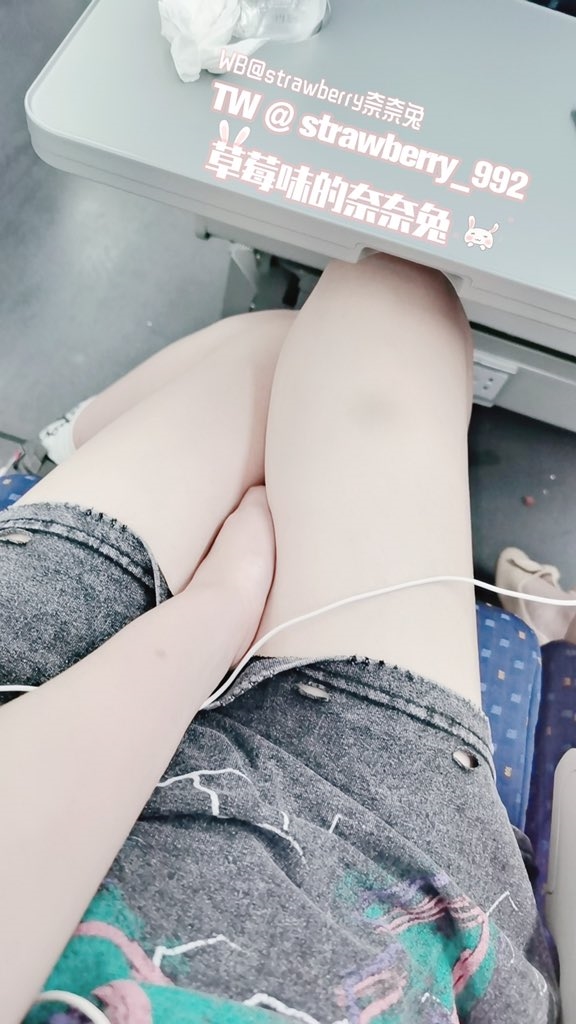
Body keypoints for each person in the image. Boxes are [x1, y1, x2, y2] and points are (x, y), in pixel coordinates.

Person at [0, 254, 559, 1024]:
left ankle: (71, 446)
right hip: (370, 887)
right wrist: (221, 606)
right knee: (388, 310)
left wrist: (212, 616)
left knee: (296, 344)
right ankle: (83, 439)